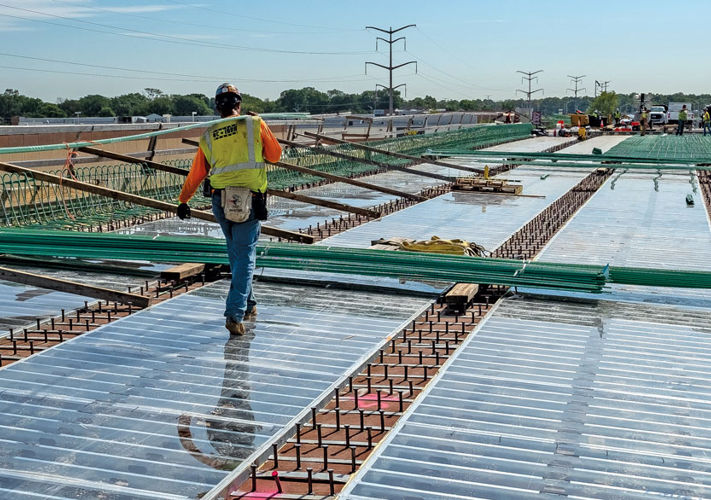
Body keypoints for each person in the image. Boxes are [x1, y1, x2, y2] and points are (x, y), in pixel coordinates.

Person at [176, 83, 282, 335]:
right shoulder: (254, 123)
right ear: (239, 104)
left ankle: (249, 304)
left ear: (217, 107)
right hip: (248, 200)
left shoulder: (209, 133)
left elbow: (197, 173)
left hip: (220, 201)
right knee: (245, 256)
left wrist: (184, 199)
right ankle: (234, 313)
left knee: (236, 253)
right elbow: (276, 155)